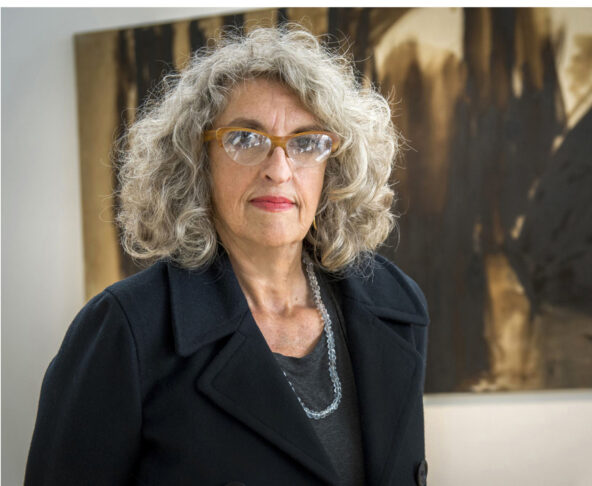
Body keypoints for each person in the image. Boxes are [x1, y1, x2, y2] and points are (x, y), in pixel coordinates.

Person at [25, 25, 429, 486]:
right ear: (197, 161)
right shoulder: (125, 330)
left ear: (333, 167)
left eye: (305, 142)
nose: (279, 170)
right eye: (245, 139)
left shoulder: (395, 304)